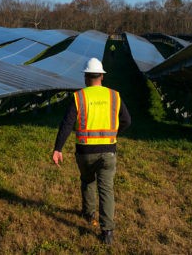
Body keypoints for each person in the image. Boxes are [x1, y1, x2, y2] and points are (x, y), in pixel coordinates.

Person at [52, 57, 131, 245]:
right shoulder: (115, 96)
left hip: (85, 152)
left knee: (87, 181)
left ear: (86, 77)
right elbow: (127, 121)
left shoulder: (79, 97)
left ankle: (88, 213)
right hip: (109, 152)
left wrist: (58, 148)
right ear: (102, 76)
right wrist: (114, 134)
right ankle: (108, 232)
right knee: (106, 190)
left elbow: (67, 124)